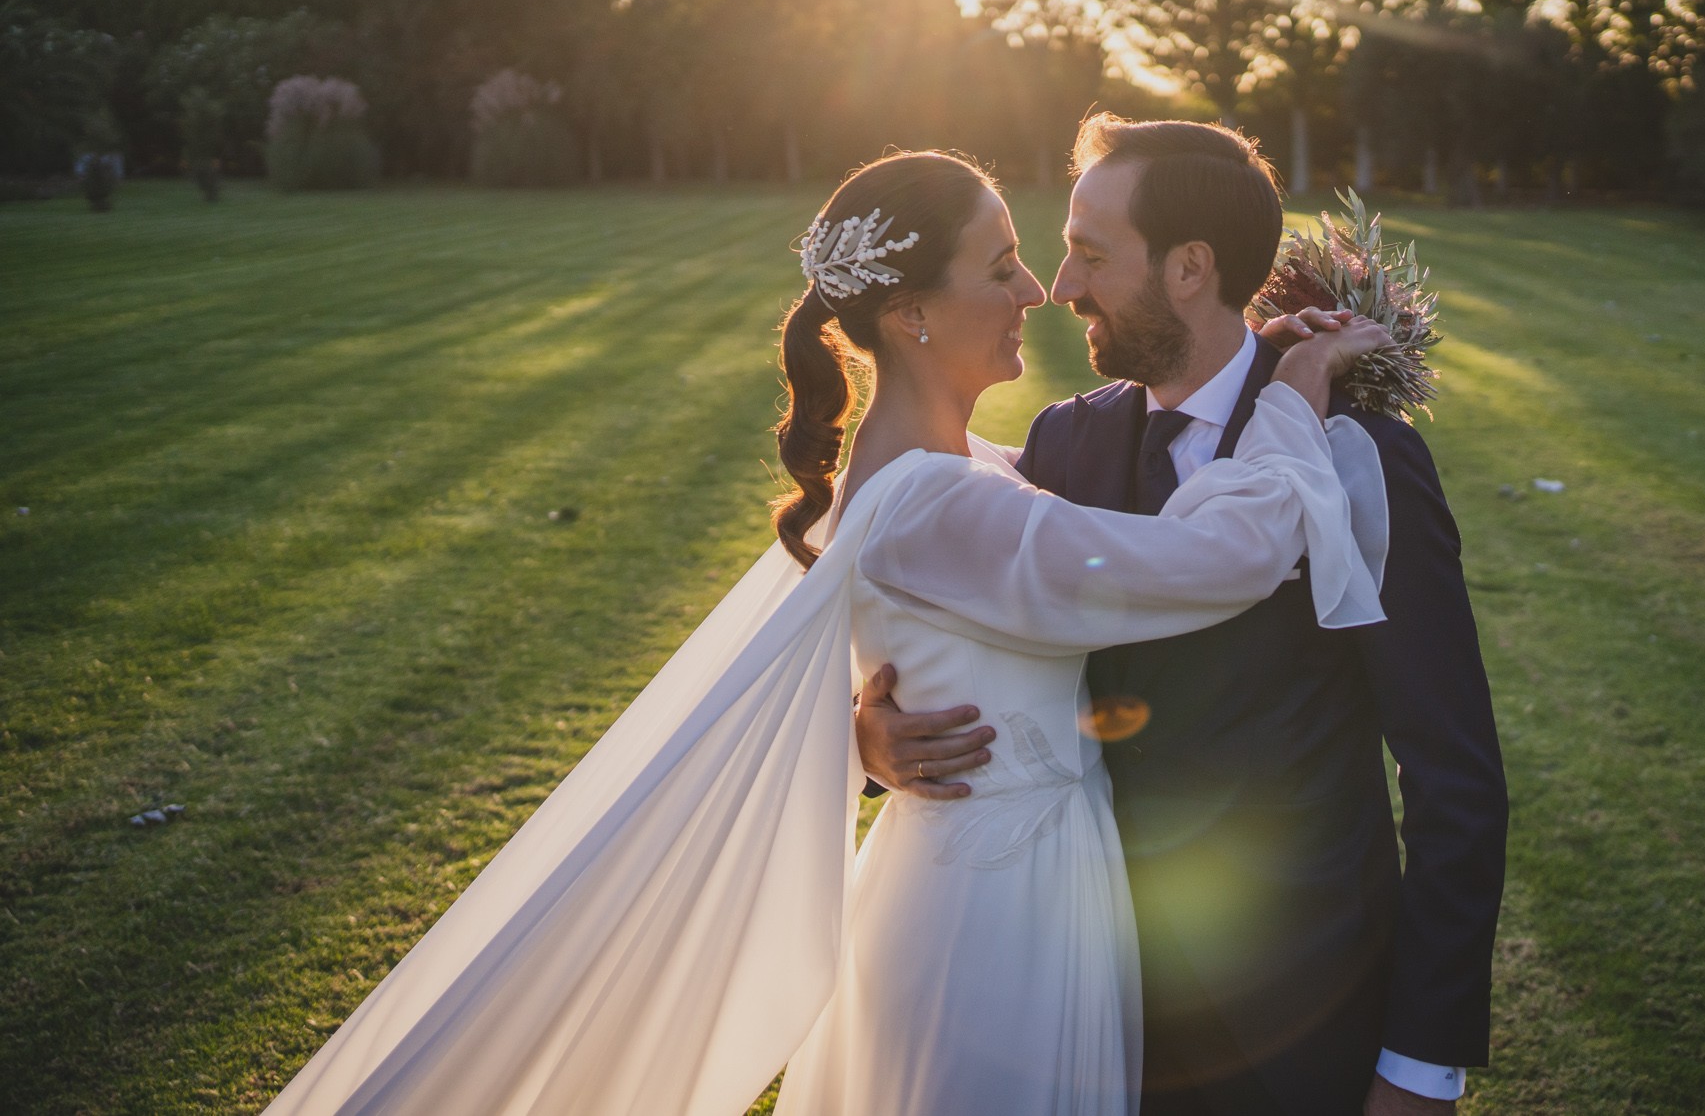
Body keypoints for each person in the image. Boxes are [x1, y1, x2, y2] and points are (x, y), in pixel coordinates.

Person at [264, 150, 1397, 1116]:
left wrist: (863, 731)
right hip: (992, 923)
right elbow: (1214, 561)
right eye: (1000, 264)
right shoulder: (940, 508)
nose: (1034, 291)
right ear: (908, 310)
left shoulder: (956, 480)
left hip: (1013, 882)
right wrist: (1293, 389)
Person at [857, 119, 1510, 1116]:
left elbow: (1453, 776)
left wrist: (1420, 1064)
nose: (1060, 286)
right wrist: (869, 735)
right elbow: (946, 608)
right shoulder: (1061, 441)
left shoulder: (1354, 457)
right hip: (1087, 995)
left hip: (1301, 1013)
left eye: (1088, 253)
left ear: (1189, 268)